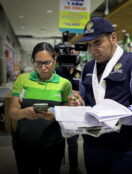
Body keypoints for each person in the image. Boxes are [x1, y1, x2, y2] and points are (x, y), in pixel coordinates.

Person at [69, 17, 132, 174]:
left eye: (98, 42)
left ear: (113, 38)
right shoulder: (87, 67)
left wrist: (119, 116)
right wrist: (76, 103)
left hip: (124, 149)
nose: (93, 49)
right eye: (89, 45)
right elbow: (83, 100)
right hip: (92, 147)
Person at [9, 42, 72, 174]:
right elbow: (12, 112)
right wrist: (24, 113)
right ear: (33, 61)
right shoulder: (22, 79)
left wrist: (54, 114)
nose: (43, 68)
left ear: (54, 61)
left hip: (53, 144)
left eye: (47, 62)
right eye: (38, 63)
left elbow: (67, 113)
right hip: (24, 144)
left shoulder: (64, 84)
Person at [55, 51, 82, 174]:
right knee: (58, 141)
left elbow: (81, 89)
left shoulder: (79, 73)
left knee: (73, 142)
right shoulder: (58, 72)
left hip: (74, 111)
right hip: (60, 109)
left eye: (74, 57)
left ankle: (74, 167)